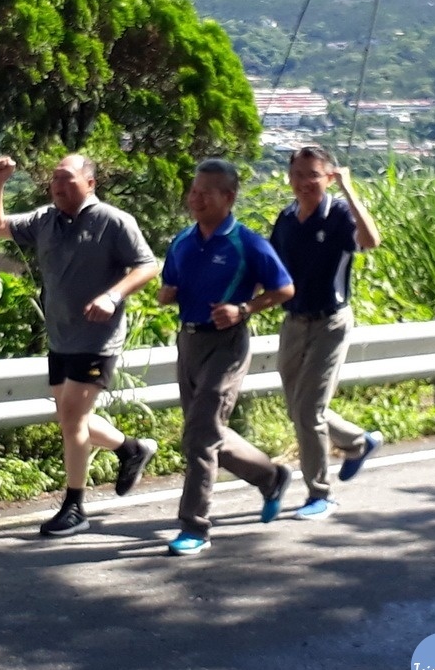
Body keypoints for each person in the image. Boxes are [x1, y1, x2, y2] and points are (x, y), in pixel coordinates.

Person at [0, 154, 160, 537]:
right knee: (67, 419)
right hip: (61, 336)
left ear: (90, 183)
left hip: (98, 338)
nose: (58, 186)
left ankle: (75, 506)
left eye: (67, 178)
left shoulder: (113, 222)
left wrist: (113, 296)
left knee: (73, 420)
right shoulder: (45, 220)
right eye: (54, 180)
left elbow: (147, 265)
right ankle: (131, 449)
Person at [157, 159, 295, 557]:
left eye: (205, 192)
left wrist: (245, 309)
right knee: (207, 431)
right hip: (189, 342)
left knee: (199, 436)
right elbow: (170, 286)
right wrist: (167, 295)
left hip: (227, 344)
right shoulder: (183, 240)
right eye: (193, 191)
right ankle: (270, 477)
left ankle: (195, 527)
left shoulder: (247, 243)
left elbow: (284, 289)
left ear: (228, 197)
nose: (194, 198)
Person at [270, 145, 383, 521]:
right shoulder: (286, 218)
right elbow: (271, 269)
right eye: (298, 174)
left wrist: (349, 191)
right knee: (297, 408)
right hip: (294, 322)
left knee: (308, 410)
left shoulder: (337, 215)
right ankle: (357, 442)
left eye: (313, 175)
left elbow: (370, 241)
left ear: (328, 177)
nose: (304, 183)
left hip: (330, 322)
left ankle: (320, 493)